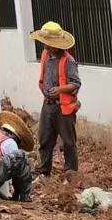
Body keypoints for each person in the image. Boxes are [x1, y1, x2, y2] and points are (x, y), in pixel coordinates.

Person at [32, 19, 80, 175]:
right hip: (48, 104)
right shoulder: (46, 55)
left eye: (48, 43)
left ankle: (71, 171)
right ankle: (44, 169)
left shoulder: (68, 61)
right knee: (45, 139)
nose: (45, 46)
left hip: (63, 107)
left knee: (68, 142)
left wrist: (60, 90)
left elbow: (75, 83)